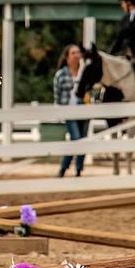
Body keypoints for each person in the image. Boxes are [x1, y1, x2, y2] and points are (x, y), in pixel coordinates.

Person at [54, 43, 89, 178]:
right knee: (76, 139)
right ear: (67, 57)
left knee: (83, 141)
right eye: (73, 53)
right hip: (69, 112)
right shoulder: (61, 74)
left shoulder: (85, 72)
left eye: (78, 52)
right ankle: (64, 168)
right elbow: (57, 96)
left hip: (84, 110)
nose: (76, 55)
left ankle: (78, 170)